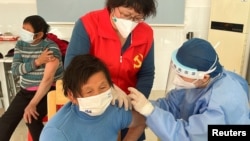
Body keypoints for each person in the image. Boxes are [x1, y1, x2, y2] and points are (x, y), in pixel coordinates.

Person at [64, 0, 157, 140]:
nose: (131, 21)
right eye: (126, 14)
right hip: (94, 103)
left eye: (137, 18)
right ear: (113, 6)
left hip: (127, 105)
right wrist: (109, 89)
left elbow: (147, 73)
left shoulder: (146, 33)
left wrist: (136, 101)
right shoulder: (88, 24)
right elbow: (73, 66)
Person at [128, 38, 250, 141]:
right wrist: (146, 105)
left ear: (204, 77)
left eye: (181, 76)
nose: (177, 79)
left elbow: (188, 136)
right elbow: (173, 104)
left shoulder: (222, 102)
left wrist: (150, 112)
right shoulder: (199, 83)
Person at [39, 54, 146, 141]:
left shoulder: (113, 109)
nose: (98, 95)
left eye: (103, 87)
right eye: (89, 91)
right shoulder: (56, 134)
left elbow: (141, 121)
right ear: (72, 96)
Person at [0, 15, 64, 141]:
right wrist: (37, 62)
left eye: (27, 30)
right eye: (23, 28)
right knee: (5, 122)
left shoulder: (51, 49)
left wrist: (32, 104)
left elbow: (47, 80)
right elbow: (15, 70)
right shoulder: (20, 44)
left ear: (39, 35)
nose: (23, 32)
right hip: (25, 91)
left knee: (31, 118)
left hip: (47, 92)